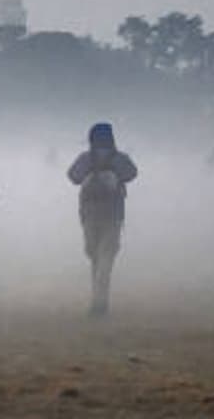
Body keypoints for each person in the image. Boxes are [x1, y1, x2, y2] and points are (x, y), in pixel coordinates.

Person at [67, 122, 138, 318]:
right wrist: (115, 175)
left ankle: (98, 302)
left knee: (95, 256)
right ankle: (100, 301)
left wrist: (90, 175)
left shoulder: (86, 159)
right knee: (106, 257)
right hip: (113, 214)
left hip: (89, 215)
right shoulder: (119, 158)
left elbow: (72, 176)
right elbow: (132, 173)